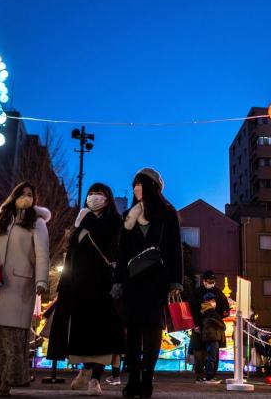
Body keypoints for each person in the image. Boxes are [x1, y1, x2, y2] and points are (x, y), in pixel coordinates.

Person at [47, 183, 125, 396]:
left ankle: (95, 379)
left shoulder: (114, 222)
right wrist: (63, 284)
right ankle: (86, 369)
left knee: (103, 334)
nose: (94, 197)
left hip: (104, 288)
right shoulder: (79, 225)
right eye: (91, 193)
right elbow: (71, 256)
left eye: (99, 194)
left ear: (108, 198)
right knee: (82, 333)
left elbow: (110, 245)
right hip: (78, 287)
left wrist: (88, 220)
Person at [112, 168, 183, 398]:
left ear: (152, 187)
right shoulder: (128, 216)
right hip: (132, 281)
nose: (136, 188)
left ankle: (147, 377)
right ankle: (132, 379)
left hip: (156, 280)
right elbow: (121, 252)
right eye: (134, 184)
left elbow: (175, 249)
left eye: (140, 184)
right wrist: (118, 280)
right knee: (132, 331)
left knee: (152, 329)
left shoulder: (168, 214)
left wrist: (176, 281)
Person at [0, 182, 50, 396]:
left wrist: (42, 281)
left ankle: (8, 381)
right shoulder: (4, 218)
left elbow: (43, 253)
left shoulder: (37, 223)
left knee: (13, 339)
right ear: (14, 195)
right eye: (23, 194)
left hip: (20, 286)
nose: (27, 198)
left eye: (30, 194)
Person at [189, 271, 230, 384]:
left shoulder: (218, 292)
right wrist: (196, 324)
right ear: (204, 281)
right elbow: (192, 309)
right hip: (200, 326)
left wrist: (225, 312)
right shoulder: (198, 292)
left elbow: (225, 307)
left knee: (213, 352)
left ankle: (210, 375)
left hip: (213, 327)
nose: (211, 283)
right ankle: (199, 376)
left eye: (213, 281)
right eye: (209, 281)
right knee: (199, 353)